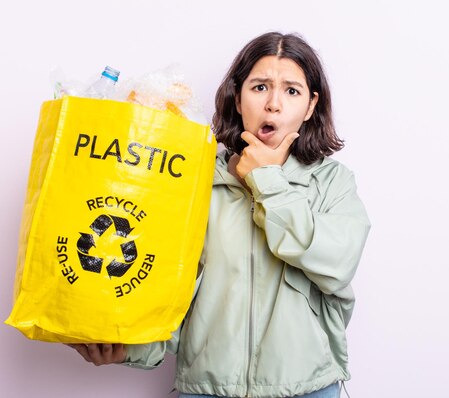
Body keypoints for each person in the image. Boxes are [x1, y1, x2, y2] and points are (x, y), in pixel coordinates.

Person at [67, 31, 371, 398]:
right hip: (206, 390)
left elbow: (336, 262)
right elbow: (167, 287)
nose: (274, 104)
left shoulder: (333, 183)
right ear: (238, 98)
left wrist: (266, 180)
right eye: (260, 87)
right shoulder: (195, 179)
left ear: (310, 106)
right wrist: (127, 348)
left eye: (292, 91)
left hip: (308, 389)